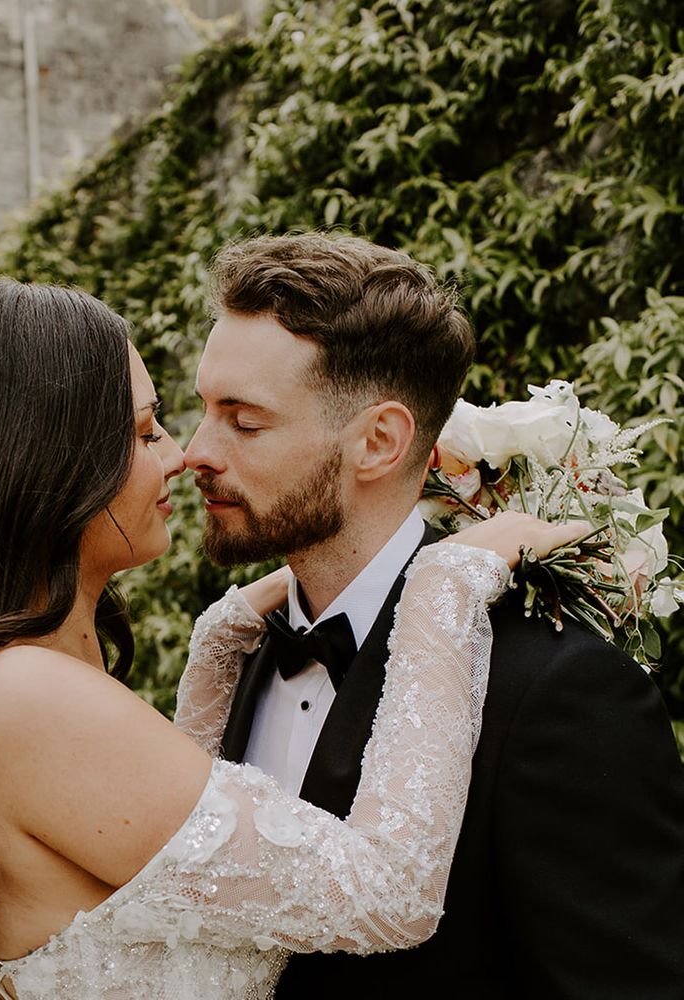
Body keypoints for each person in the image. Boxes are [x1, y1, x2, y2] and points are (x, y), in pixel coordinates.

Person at [0, 277, 577, 1000]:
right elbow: (389, 896)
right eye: (144, 433)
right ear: (45, 467)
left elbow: (168, 871)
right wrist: (439, 588)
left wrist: (215, 649)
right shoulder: (29, 696)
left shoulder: (15, 682)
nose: (183, 456)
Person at [183, 232, 684, 999]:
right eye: (202, 411)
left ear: (379, 442)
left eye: (243, 421)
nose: (195, 452)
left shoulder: (558, 692)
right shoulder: (236, 655)